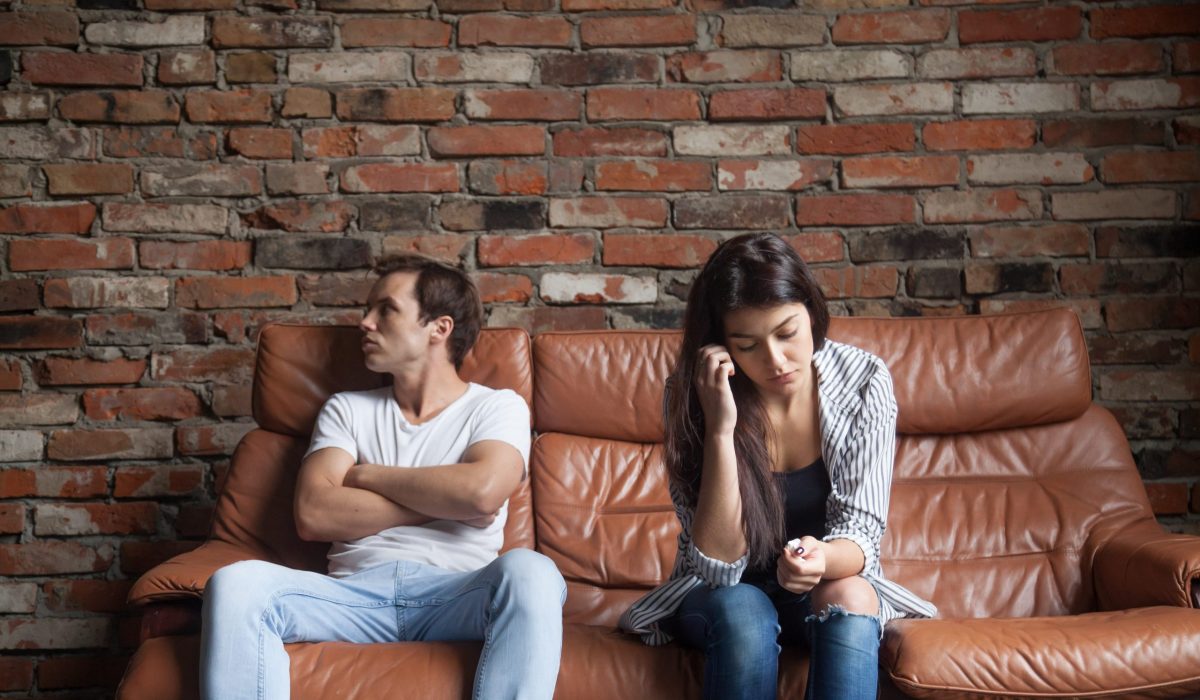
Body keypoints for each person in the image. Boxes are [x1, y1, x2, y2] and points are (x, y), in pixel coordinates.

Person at [201, 254, 565, 700]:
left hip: (456, 594)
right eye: (367, 309)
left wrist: (367, 476)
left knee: (533, 573)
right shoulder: (346, 408)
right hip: (352, 595)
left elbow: (482, 493)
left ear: (439, 328)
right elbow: (314, 513)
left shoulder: (497, 406)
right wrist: (448, 504)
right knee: (235, 583)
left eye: (385, 309)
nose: (365, 323)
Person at [619, 233, 936, 699]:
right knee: (745, 609)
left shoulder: (864, 381)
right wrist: (721, 429)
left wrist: (820, 559)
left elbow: (863, 536)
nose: (776, 361)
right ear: (721, 346)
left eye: (787, 333)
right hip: (719, 598)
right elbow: (717, 566)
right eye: (747, 345)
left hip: (820, 586)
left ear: (811, 311)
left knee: (850, 597)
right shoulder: (693, 393)